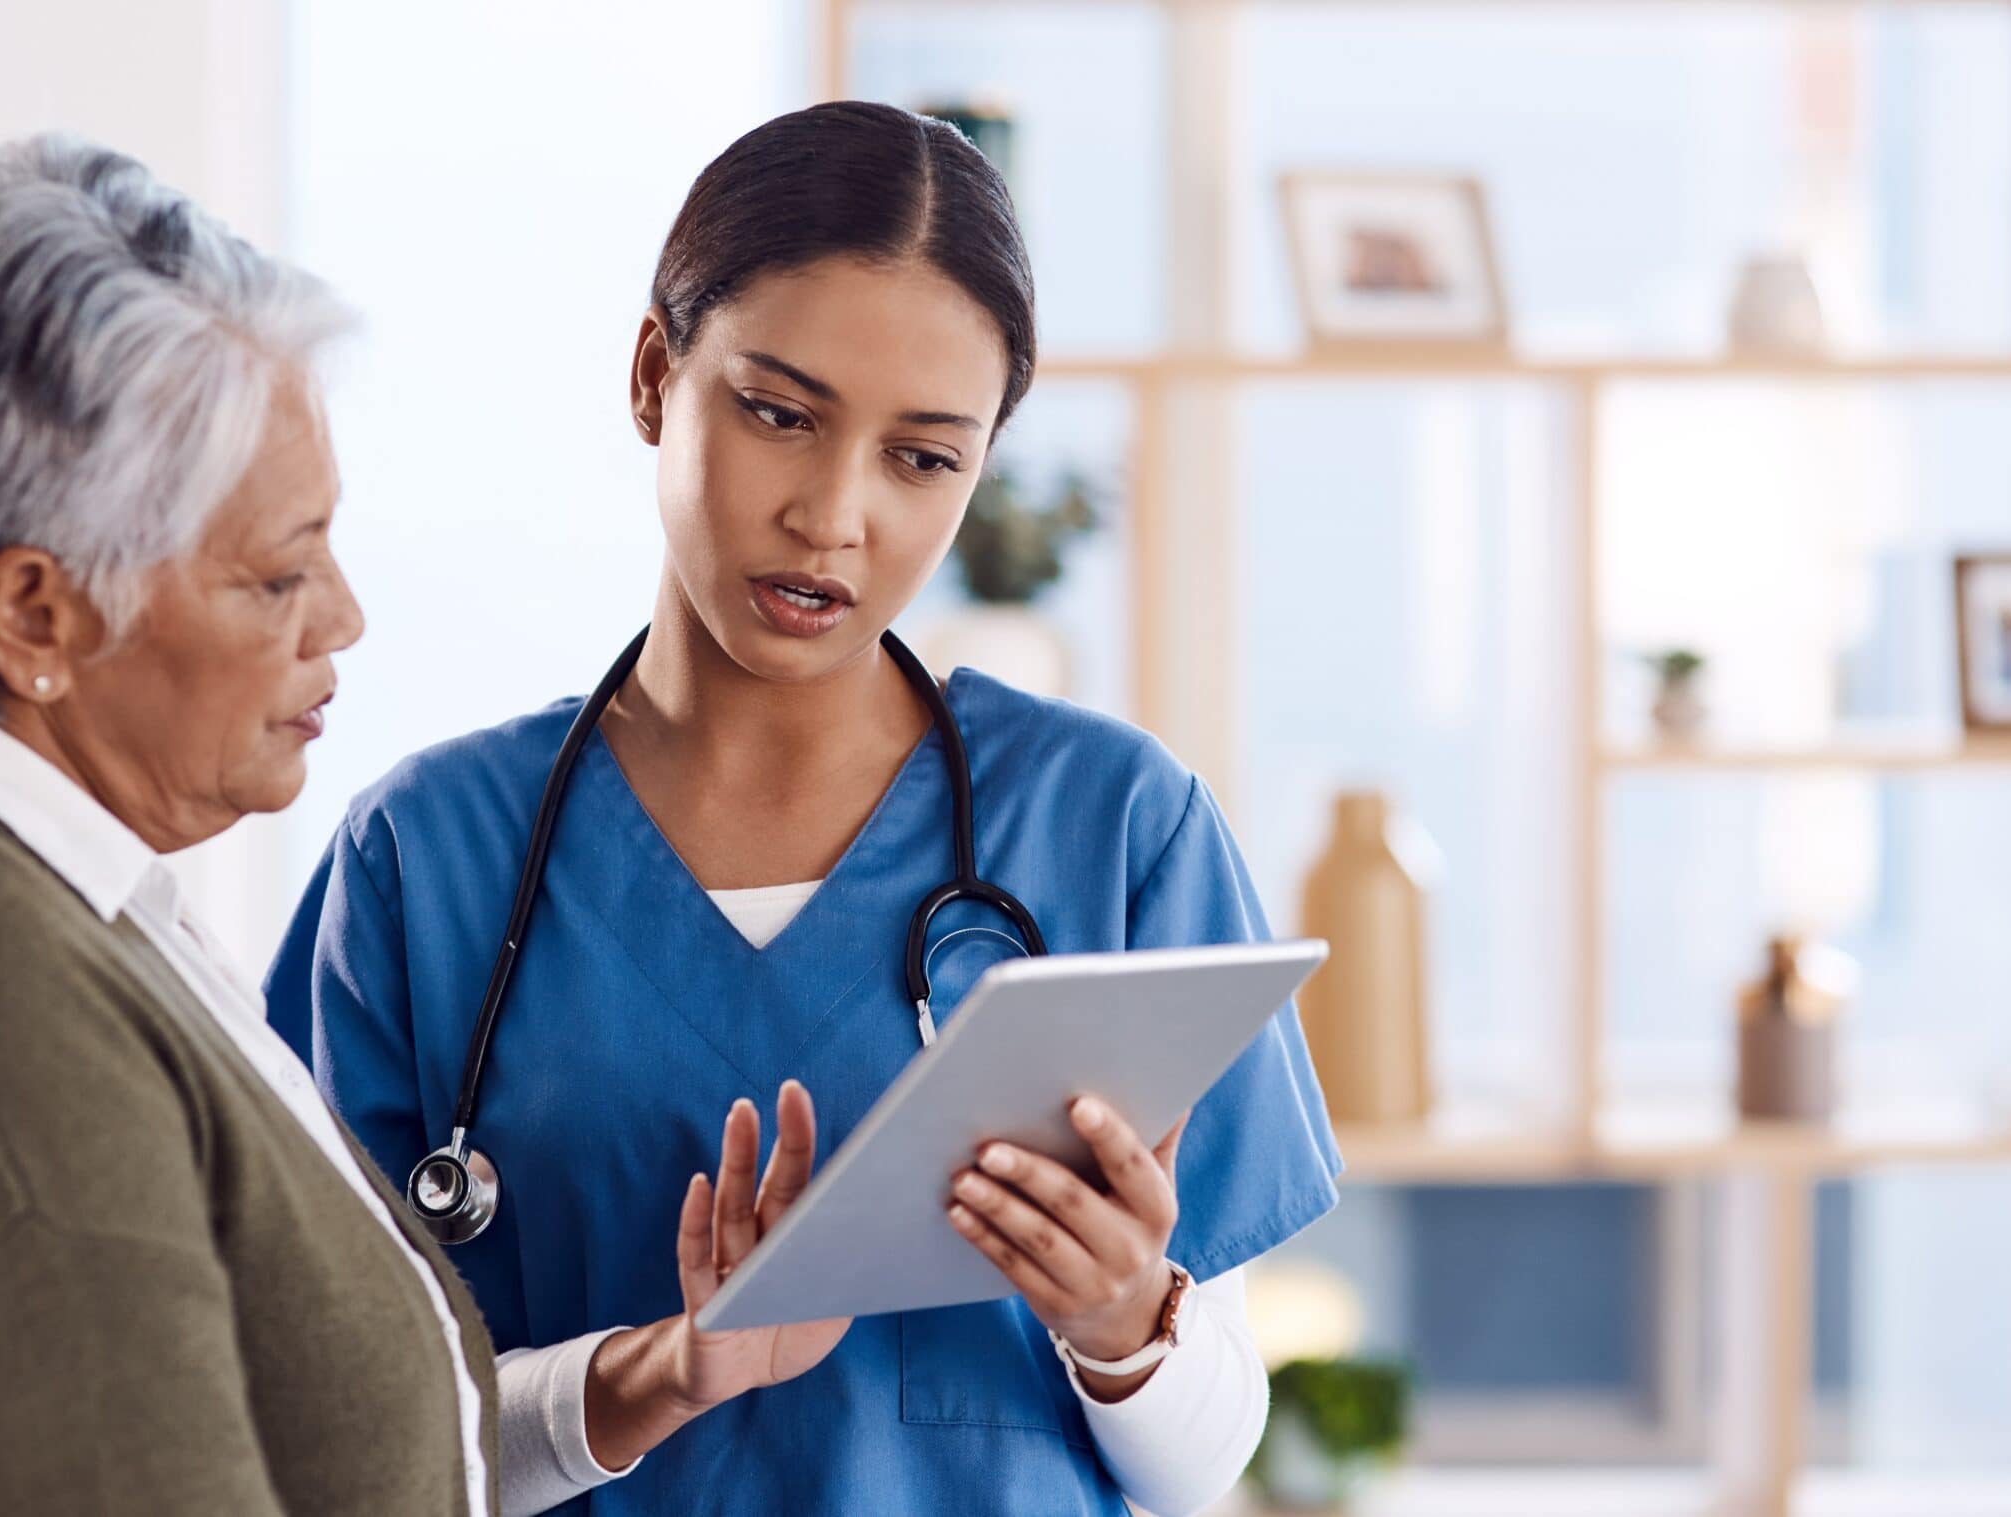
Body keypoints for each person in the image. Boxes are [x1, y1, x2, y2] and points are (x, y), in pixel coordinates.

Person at [267, 102, 1342, 1516]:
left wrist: (1122, 1318)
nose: (834, 516)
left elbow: (1210, 1456)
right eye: (780, 414)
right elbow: (342, 1431)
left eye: (922, 458)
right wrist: (646, 1375)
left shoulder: (1120, 828)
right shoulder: (424, 860)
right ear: (656, 374)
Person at [0, 134, 659, 1517]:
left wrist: (641, 1380)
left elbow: (329, 1440)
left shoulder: (39, 895)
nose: (345, 618)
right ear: (35, 617)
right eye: (278, 574)